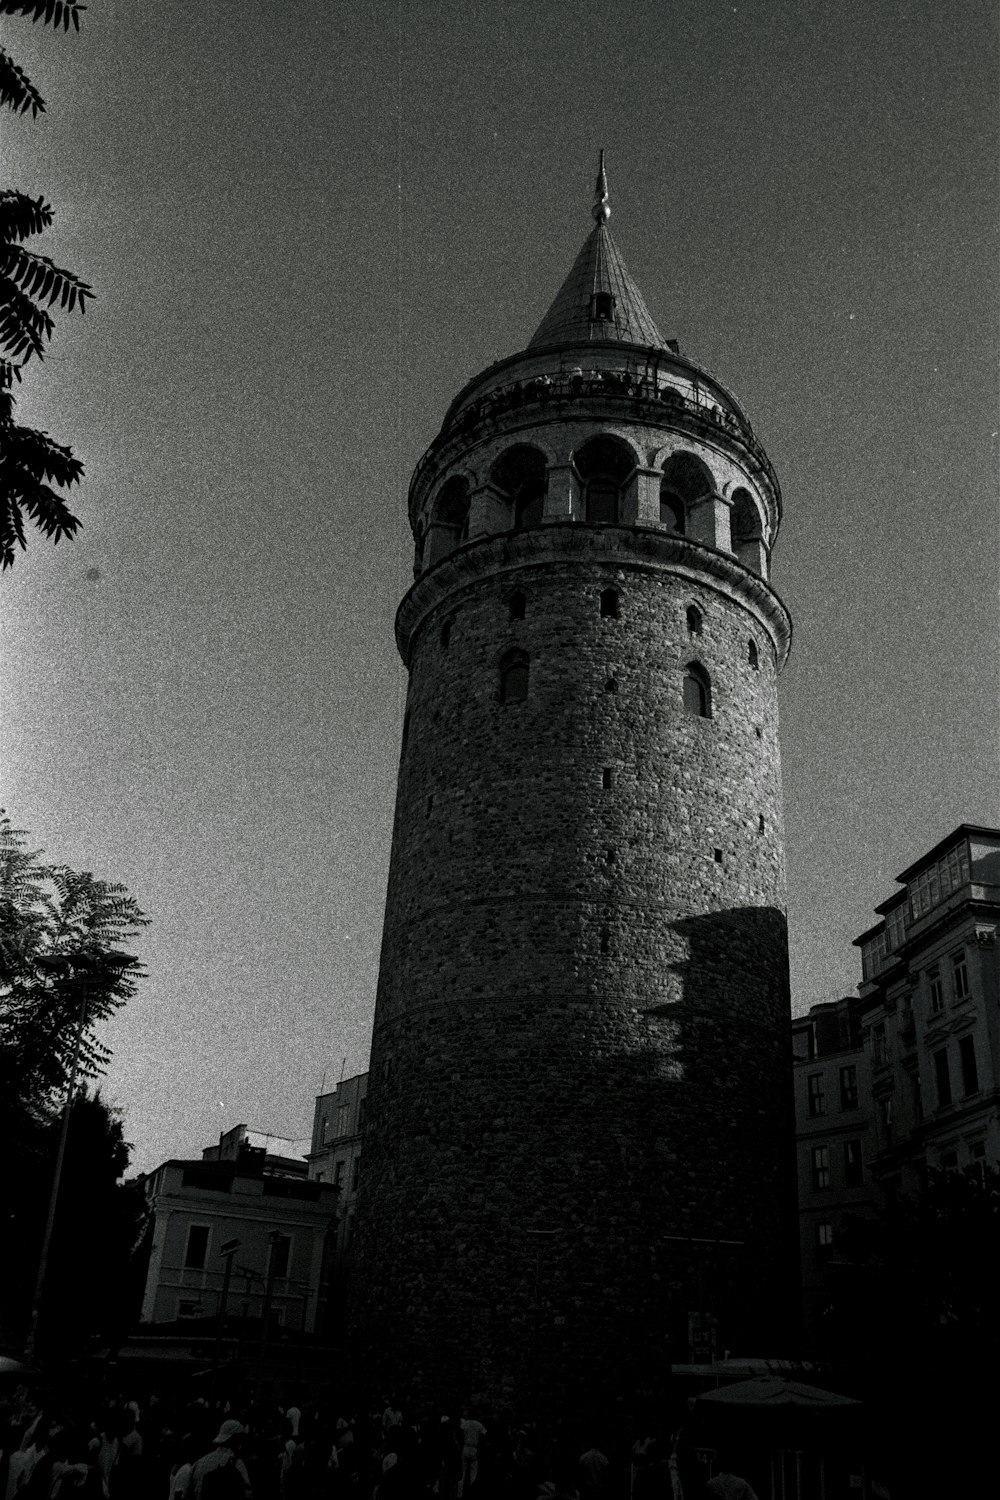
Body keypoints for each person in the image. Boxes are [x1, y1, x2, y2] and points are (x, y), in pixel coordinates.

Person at [190, 1420, 251, 1499]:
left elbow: (187, 1494)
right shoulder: (236, 1463)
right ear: (235, 1439)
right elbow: (248, 1493)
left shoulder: (199, 1462)